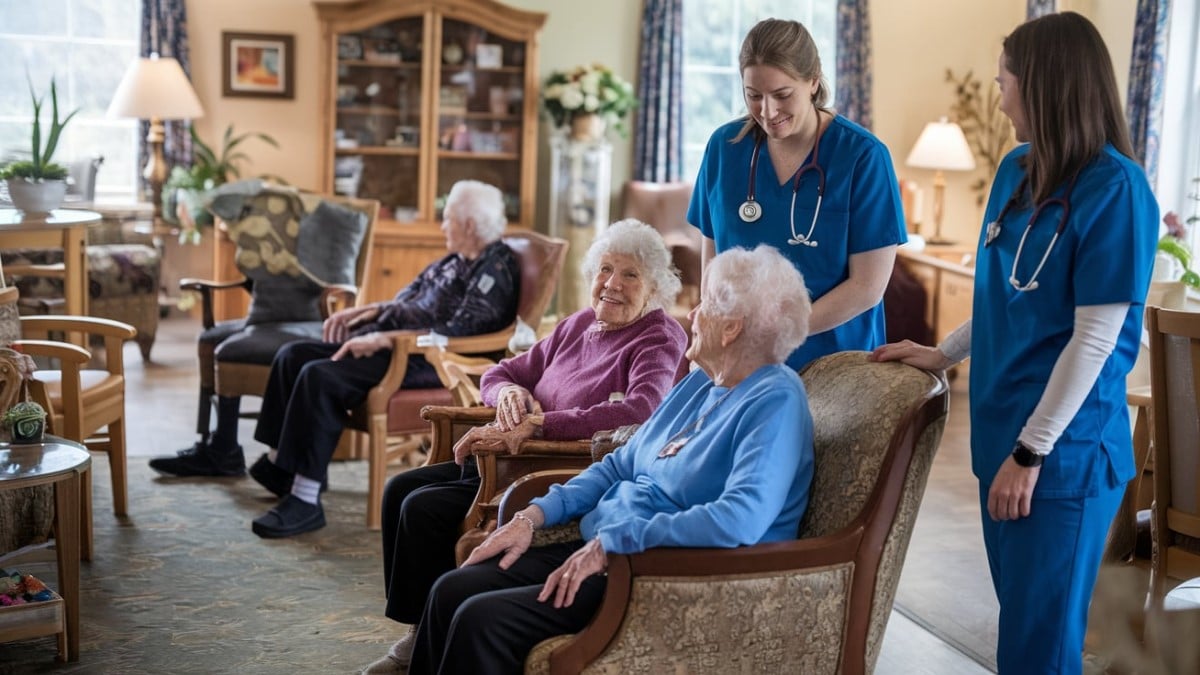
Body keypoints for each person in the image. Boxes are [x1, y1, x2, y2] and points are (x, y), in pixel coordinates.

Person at [871, 12, 1157, 674]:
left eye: (1006, 82)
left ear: (1045, 86)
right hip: (1002, 435)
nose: (998, 97)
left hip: (1061, 453)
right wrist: (942, 353)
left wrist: (1031, 451)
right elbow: (1006, 302)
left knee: (1040, 640)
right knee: (1023, 626)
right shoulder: (1016, 172)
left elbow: (1094, 339)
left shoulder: (1116, 188)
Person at [389, 244, 815, 675]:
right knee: (449, 590)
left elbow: (738, 518)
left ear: (731, 329)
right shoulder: (701, 383)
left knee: (479, 621)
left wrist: (616, 543)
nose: (692, 315)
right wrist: (532, 516)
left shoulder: (774, 400)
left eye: (704, 304)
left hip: (659, 573)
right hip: (605, 547)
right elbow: (619, 464)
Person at [361, 219, 688, 674]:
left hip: (546, 466)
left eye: (631, 275)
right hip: (507, 454)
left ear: (655, 288)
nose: (612, 284)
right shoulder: (578, 324)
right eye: (605, 270)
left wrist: (540, 426)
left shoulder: (659, 335)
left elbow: (639, 411)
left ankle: (420, 642)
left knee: (423, 507)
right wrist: (509, 396)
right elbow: (499, 374)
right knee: (401, 490)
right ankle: (420, 629)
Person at [159, 180, 520, 537]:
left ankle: (305, 499)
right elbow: (407, 300)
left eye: (448, 219)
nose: (442, 225)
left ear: (470, 226)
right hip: (390, 344)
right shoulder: (454, 261)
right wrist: (366, 313)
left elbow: (462, 332)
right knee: (292, 354)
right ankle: (281, 465)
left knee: (321, 377)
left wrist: (386, 337)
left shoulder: (494, 270)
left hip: (424, 360)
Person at [688, 18, 905, 372]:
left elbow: (867, 286)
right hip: (736, 362)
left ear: (814, 82)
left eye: (782, 95)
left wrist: (775, 334)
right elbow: (713, 265)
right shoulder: (725, 148)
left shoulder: (863, 157)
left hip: (833, 367)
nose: (767, 112)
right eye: (754, 95)